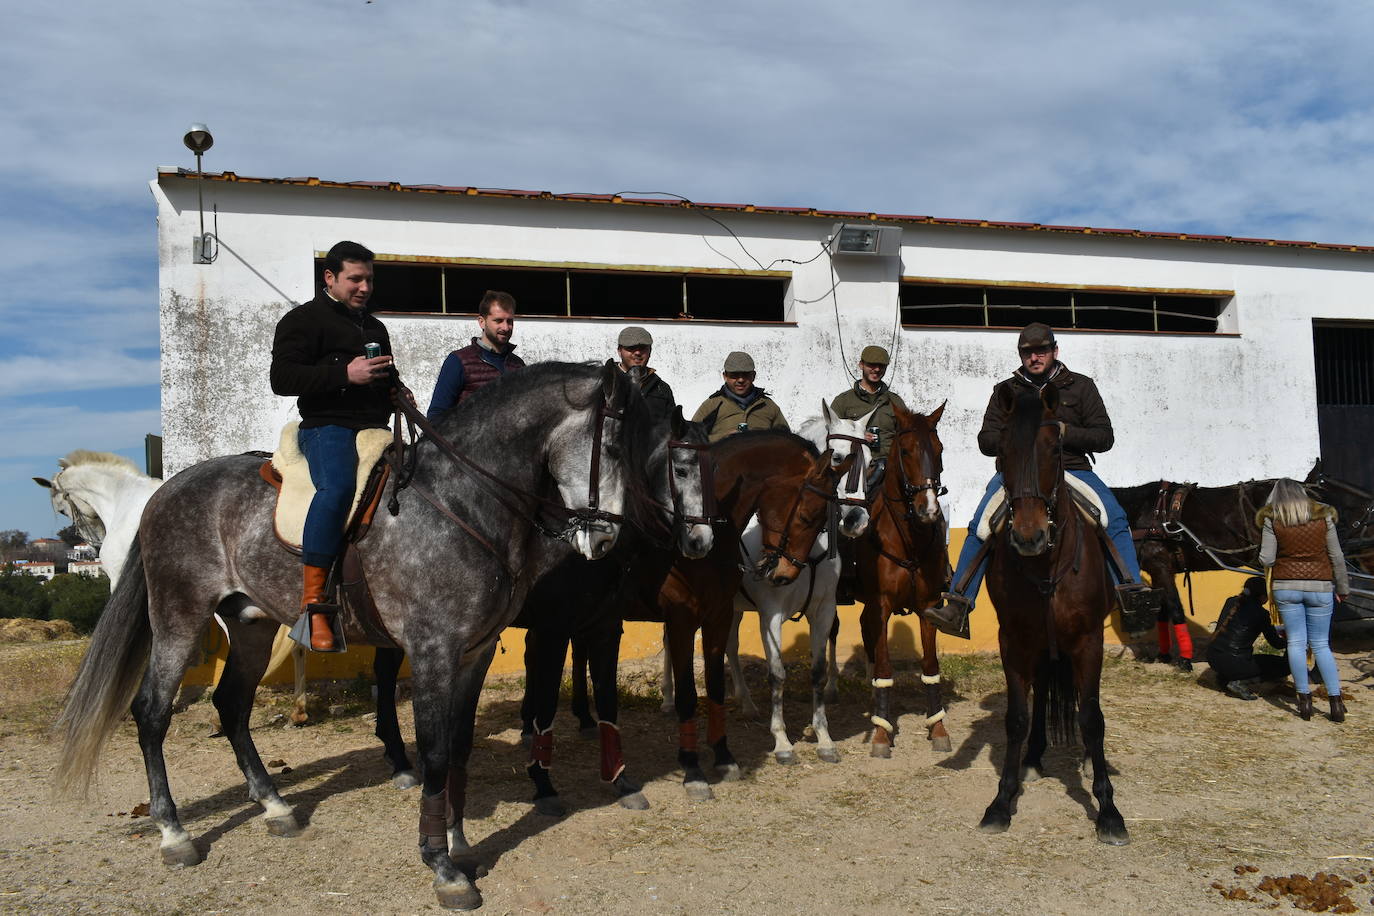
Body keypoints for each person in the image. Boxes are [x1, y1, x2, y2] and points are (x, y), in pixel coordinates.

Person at [926, 322, 1149, 638]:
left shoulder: (1081, 386)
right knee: (980, 525)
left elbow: (1104, 436)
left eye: (1041, 350)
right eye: (1028, 352)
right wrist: (1015, 437)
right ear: (1021, 355)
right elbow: (985, 439)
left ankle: (1132, 593)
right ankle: (958, 601)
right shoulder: (1006, 391)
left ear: (1054, 351)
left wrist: (1064, 431)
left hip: (1072, 469)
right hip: (1016, 475)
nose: (1035, 357)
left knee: (1114, 518)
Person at [270, 240, 396, 651]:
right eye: (355, 279)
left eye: (369, 280)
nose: (364, 287)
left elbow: (383, 376)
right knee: (338, 487)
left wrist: (400, 390)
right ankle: (313, 606)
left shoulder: (375, 327)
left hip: (375, 428)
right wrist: (346, 374)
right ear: (330, 277)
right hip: (328, 427)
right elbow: (282, 379)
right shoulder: (301, 321)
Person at [1258, 478, 1350, 722]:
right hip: (1320, 586)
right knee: (1321, 644)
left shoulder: (1273, 518)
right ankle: (1336, 702)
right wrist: (1342, 586)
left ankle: (1304, 702)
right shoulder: (1323, 516)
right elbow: (1336, 555)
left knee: (1296, 643)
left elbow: (1266, 559)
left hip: (1286, 587)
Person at [426, 290, 525, 419]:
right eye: (498, 321)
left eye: (510, 321)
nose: (506, 327)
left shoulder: (518, 366)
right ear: (482, 322)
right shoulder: (459, 361)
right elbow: (436, 416)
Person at [1206, 576, 1289, 700]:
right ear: (1263, 596)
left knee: (1239, 657)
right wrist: (1292, 640)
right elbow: (1276, 644)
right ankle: (1241, 682)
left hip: (1212, 658)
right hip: (1235, 663)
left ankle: (1224, 678)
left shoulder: (1230, 601)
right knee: (1286, 666)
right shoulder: (1262, 614)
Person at [691, 351, 789, 441]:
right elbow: (692, 440)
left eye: (745, 375)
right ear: (725, 376)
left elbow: (786, 440)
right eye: (734, 375)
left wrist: (762, 440)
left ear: (753, 376)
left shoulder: (768, 406)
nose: (741, 380)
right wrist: (722, 438)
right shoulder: (711, 405)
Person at [829, 345, 908, 457]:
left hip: (889, 467)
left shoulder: (895, 402)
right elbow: (832, 434)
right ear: (861, 365)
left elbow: (907, 436)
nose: (876, 369)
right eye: (871, 365)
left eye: (881, 366)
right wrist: (858, 436)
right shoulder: (843, 401)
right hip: (854, 466)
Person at [616, 326, 676, 425]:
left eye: (643, 348)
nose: (638, 352)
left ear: (650, 351)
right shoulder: (603, 383)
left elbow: (671, 430)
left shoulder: (662, 389)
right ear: (619, 351)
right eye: (631, 348)